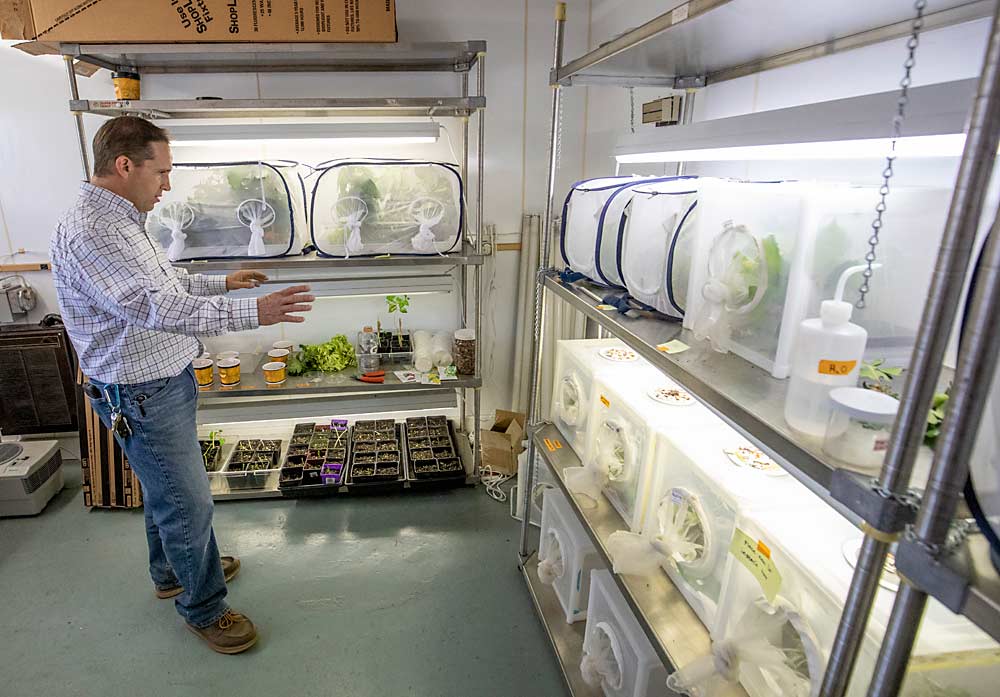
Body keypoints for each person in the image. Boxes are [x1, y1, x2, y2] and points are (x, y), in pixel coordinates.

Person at [50, 116, 314, 654]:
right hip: (141, 391)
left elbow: (163, 282)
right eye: (161, 172)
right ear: (125, 166)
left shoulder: (122, 218)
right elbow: (148, 305)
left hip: (160, 383)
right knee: (188, 503)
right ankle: (203, 607)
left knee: (166, 491)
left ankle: (173, 570)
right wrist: (252, 312)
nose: (166, 185)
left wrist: (223, 280)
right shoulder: (93, 230)